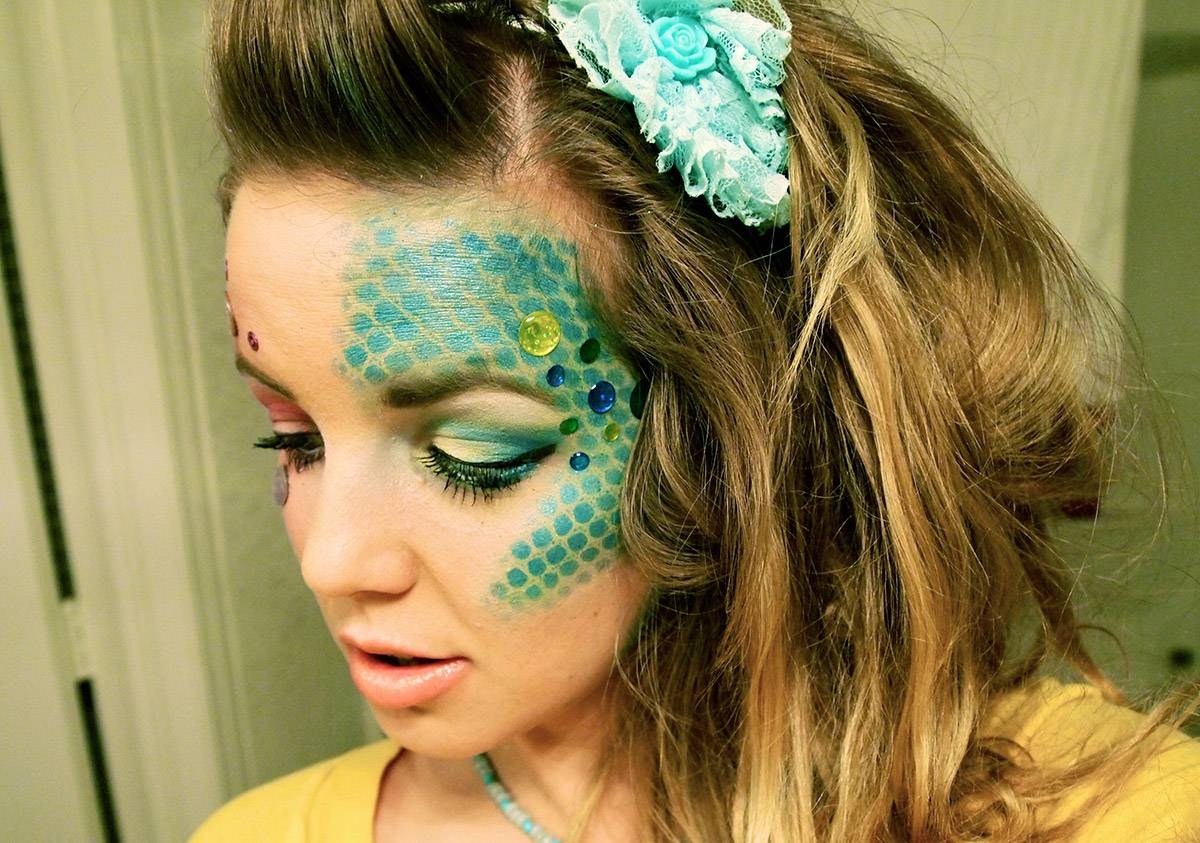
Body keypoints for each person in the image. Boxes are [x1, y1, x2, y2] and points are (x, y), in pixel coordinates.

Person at [192, 1, 1200, 840]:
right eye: (295, 437)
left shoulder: (1124, 813)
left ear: (737, 426)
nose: (331, 559)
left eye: (475, 454)